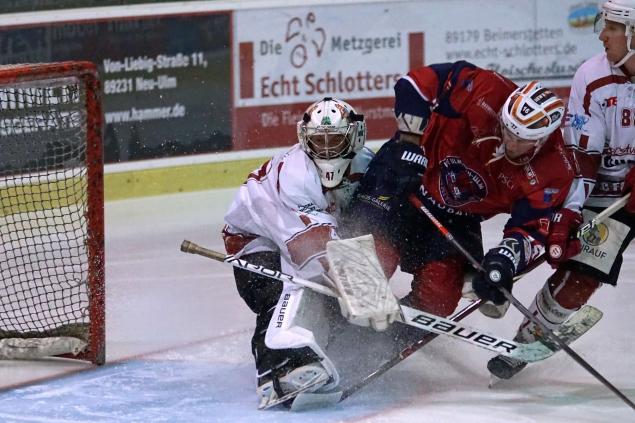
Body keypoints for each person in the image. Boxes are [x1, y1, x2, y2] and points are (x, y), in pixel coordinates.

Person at [345, 61, 575, 322]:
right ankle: (320, 320)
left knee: (439, 294)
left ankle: (381, 342)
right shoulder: (485, 89)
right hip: (407, 173)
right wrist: (410, 144)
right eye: (506, 129)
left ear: (543, 139)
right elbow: (413, 85)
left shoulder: (553, 170)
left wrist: (504, 260)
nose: (508, 141)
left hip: (456, 216)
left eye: (520, 139)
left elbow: (530, 229)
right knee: (368, 262)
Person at [488, 0, 635, 379]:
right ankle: (527, 341)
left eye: (614, 27)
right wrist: (569, 211)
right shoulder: (592, 76)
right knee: (580, 272)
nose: (603, 34)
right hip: (608, 195)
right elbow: (582, 157)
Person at [222, 97, 373, 408]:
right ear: (306, 140)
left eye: (336, 140)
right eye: (320, 141)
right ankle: (276, 369)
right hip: (255, 242)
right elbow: (310, 249)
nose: (328, 149)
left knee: (331, 302)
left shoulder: (366, 167)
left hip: (300, 240)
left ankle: (314, 350)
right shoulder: (295, 175)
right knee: (280, 296)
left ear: (354, 137)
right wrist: (362, 290)